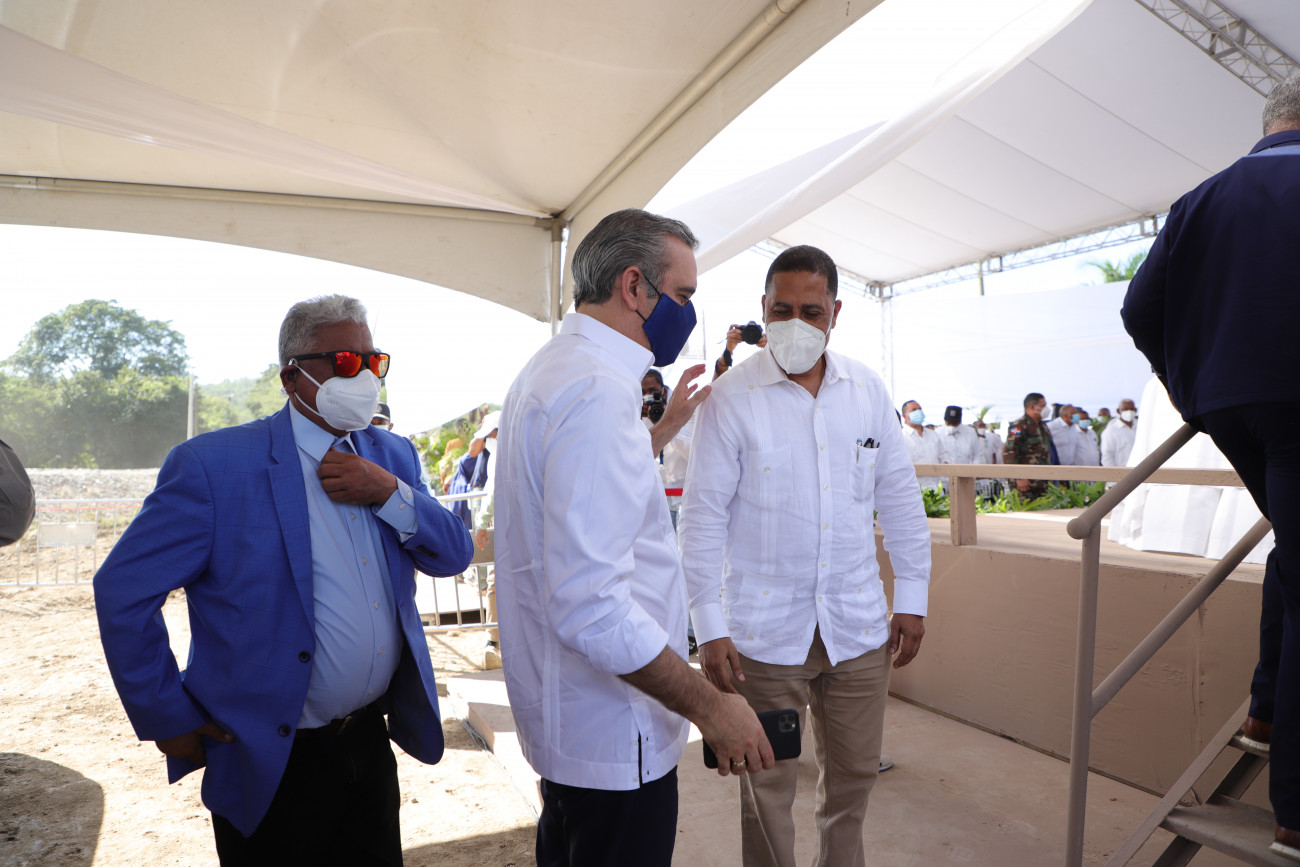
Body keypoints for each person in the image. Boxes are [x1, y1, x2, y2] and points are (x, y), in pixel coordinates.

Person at [92, 295, 474, 864]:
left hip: (368, 744)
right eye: (345, 362)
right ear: (292, 377)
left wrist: (388, 491)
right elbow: (123, 591)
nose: (365, 377)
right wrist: (166, 716)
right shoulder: (213, 467)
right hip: (270, 756)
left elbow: (453, 555)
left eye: (374, 361)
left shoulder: (392, 455)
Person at [494, 208, 773, 867]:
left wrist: (663, 430)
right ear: (633, 286)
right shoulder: (595, 390)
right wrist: (711, 708)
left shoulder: (556, 369)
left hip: (577, 730)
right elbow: (591, 605)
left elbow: (587, 495)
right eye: (682, 294)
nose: (689, 313)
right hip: (618, 735)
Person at [679, 244, 931, 867]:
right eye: (782, 311)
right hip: (762, 636)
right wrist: (708, 626)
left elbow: (900, 502)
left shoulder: (866, 391)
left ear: (835, 313)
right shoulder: (731, 398)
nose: (795, 324)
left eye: (811, 312)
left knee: (854, 780)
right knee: (766, 789)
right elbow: (703, 519)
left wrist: (912, 598)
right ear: (763, 308)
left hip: (858, 626)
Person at [1121, 76, 1300, 862]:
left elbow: (1139, 309)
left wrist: (1191, 388)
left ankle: (1264, 709)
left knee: (1293, 550)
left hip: (1230, 406)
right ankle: (1295, 810)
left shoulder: (1200, 199)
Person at [1003, 393, 1058, 497]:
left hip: (1043, 481)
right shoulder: (1019, 426)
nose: (1046, 409)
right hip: (1026, 483)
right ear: (1032, 407)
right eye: (1043, 406)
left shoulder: (1043, 426)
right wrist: (1019, 476)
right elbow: (1010, 453)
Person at [900, 399, 942, 491]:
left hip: (935, 489)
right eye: (914, 410)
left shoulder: (933, 435)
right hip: (912, 489)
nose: (918, 412)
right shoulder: (900, 437)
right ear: (904, 416)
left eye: (920, 409)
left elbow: (943, 457)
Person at [1101, 398, 1138, 468]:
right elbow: (1107, 456)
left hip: (1144, 470)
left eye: (1132, 409)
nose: (1129, 411)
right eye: (1126, 409)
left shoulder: (1141, 426)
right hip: (1122, 471)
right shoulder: (1111, 431)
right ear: (1118, 411)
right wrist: (1114, 473)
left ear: (1136, 410)